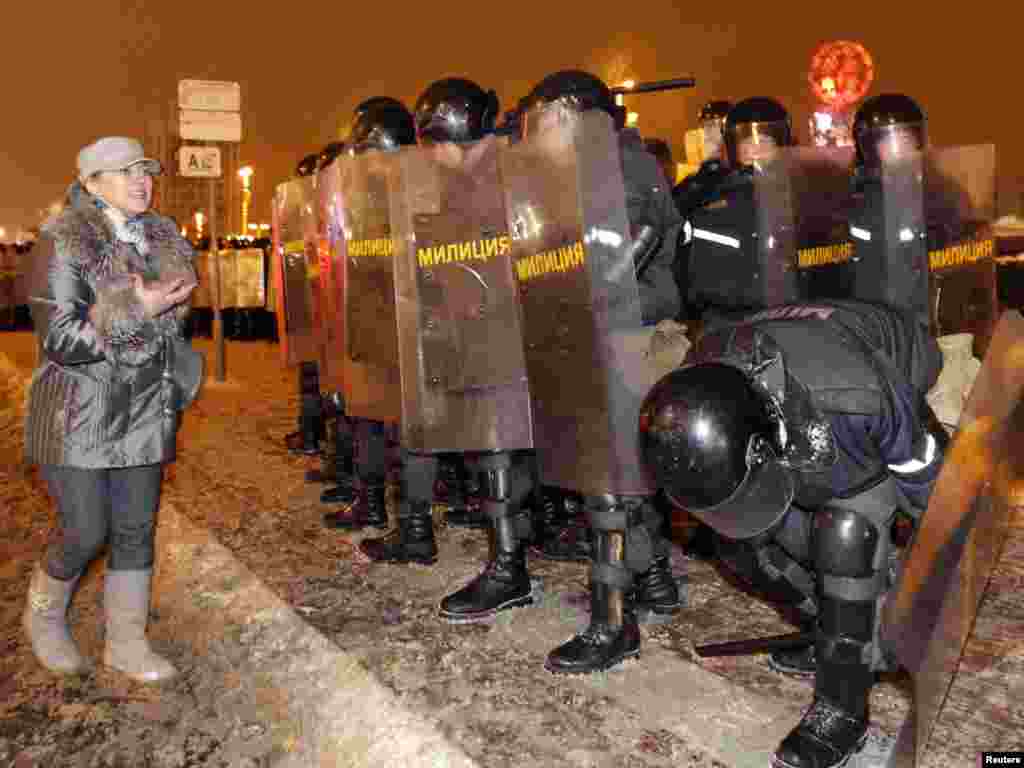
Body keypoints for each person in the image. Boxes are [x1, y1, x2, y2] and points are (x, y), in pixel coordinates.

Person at [640, 299, 946, 768]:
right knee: (744, 548)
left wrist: (908, 601)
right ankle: (836, 635)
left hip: (888, 354)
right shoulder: (696, 386)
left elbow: (934, 491)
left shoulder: (856, 396)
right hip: (790, 388)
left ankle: (842, 709)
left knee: (845, 535)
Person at [509, 69, 684, 675]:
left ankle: (614, 623)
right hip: (604, 332)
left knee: (608, 481)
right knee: (623, 473)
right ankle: (655, 577)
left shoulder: (621, 164)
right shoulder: (588, 167)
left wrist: (574, 298)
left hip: (629, 335)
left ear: (571, 112)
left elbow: (631, 244)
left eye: (545, 118)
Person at [22, 136, 198, 683]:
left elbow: (168, 325)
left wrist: (172, 317)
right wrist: (136, 309)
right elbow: (61, 336)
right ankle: (44, 617)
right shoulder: (63, 243)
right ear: (92, 183)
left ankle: (126, 642)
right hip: (78, 412)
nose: (141, 180)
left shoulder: (158, 239)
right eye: (123, 172)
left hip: (144, 407)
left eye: (144, 169)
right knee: (85, 530)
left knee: (135, 529)